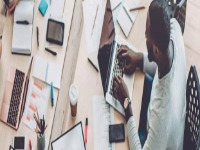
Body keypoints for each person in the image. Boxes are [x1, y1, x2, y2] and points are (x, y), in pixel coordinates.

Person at [113, 0, 186, 149]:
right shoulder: (174, 28)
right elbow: (162, 61)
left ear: (156, 50)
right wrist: (139, 59)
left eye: (147, 36)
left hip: (156, 136)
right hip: (166, 119)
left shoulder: (162, 114)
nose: (145, 36)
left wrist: (127, 103)